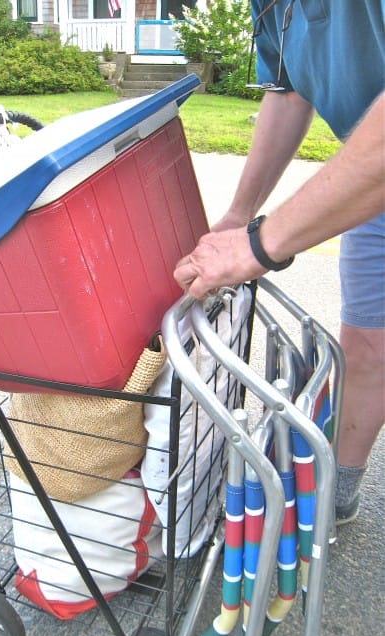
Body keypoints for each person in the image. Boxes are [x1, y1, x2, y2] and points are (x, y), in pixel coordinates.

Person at [174, 0, 385, 524]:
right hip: (372, 182)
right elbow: (288, 92)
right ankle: (338, 490)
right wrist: (239, 216)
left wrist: (261, 245)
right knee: (366, 345)